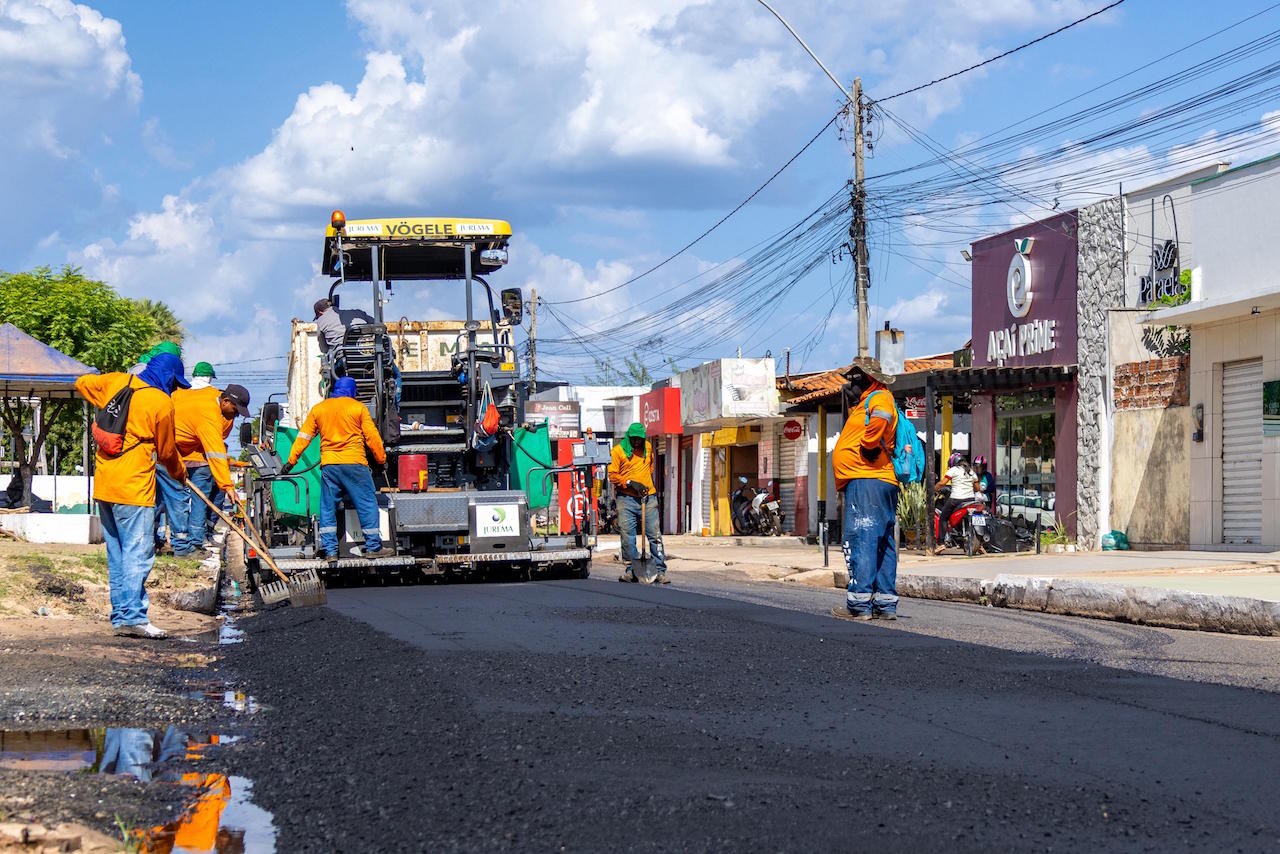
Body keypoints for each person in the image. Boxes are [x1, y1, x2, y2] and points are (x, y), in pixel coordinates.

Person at [76, 352, 189, 638]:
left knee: (117, 554)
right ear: (168, 377)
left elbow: (82, 383)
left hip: (105, 485)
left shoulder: (117, 382)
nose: (174, 388)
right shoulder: (160, 402)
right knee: (137, 553)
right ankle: (133, 617)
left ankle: (121, 617)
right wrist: (179, 473)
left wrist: (110, 402)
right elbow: (166, 451)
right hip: (133, 488)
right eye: (174, 383)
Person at [282, 376, 386, 559]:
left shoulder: (319, 409)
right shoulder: (358, 408)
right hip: (355, 464)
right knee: (367, 504)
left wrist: (291, 462)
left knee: (328, 508)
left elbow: (303, 437)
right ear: (352, 392)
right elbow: (372, 437)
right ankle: (373, 548)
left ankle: (330, 551)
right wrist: (381, 459)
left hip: (330, 466)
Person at [832, 357, 899, 620]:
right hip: (874, 480)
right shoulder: (868, 401)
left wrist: (868, 445)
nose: (851, 384)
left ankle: (859, 605)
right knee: (881, 542)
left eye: (855, 379)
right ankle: (885, 604)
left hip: (867, 479)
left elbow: (882, 418)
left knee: (862, 539)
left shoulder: (880, 397)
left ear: (869, 378)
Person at [173, 379, 250, 553]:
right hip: (171, 452)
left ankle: (184, 541)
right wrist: (228, 486)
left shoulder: (211, 395)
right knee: (188, 500)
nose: (235, 416)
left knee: (175, 499)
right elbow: (216, 453)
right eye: (235, 411)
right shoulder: (210, 416)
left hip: (178, 452)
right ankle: (193, 543)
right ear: (226, 402)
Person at [607, 422, 668, 584]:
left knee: (655, 535)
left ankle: (660, 570)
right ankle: (631, 570)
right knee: (627, 537)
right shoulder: (618, 451)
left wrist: (644, 484)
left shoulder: (648, 447)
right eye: (634, 439)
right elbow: (612, 475)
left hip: (648, 498)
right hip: (626, 499)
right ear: (628, 437)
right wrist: (629, 482)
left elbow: (650, 467)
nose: (636, 442)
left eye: (639, 439)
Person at [934, 452, 980, 554]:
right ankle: (979, 545)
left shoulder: (954, 470)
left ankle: (941, 543)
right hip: (970, 499)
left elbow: (942, 483)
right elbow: (977, 488)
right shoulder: (970, 471)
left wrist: (934, 488)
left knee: (943, 518)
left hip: (956, 499)